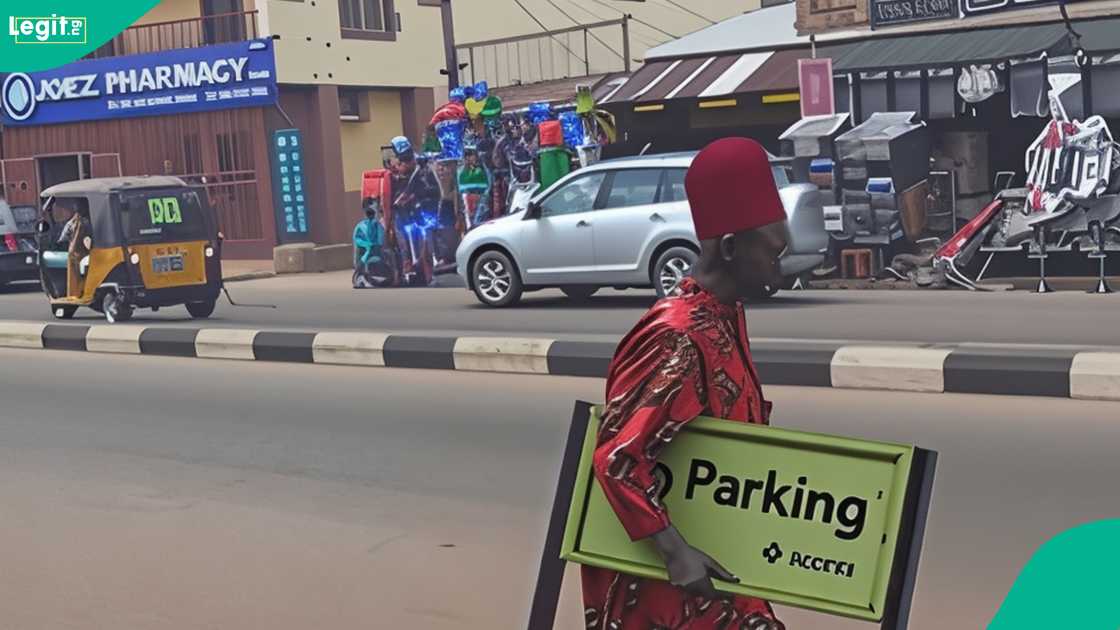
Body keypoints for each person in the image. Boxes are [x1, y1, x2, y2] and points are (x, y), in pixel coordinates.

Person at [581, 137, 789, 630]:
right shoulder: (677, 336)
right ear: (734, 248)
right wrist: (677, 554)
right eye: (775, 254)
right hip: (676, 582)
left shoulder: (722, 314)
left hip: (720, 554)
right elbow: (617, 457)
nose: (783, 269)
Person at [352, 201, 392, 288]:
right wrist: (368, 245)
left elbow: (381, 239)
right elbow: (357, 239)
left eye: (372, 213)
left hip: (377, 249)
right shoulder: (361, 226)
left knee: (390, 254)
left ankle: (393, 277)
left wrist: (378, 245)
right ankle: (361, 277)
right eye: (369, 213)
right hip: (366, 250)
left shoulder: (378, 225)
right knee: (362, 254)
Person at [458, 146, 492, 229]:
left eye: (471, 154)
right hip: (466, 200)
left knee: (480, 224)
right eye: (466, 155)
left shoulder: (482, 168)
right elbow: (458, 186)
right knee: (469, 225)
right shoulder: (460, 170)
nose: (469, 157)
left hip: (481, 199)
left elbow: (489, 181)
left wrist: (485, 196)